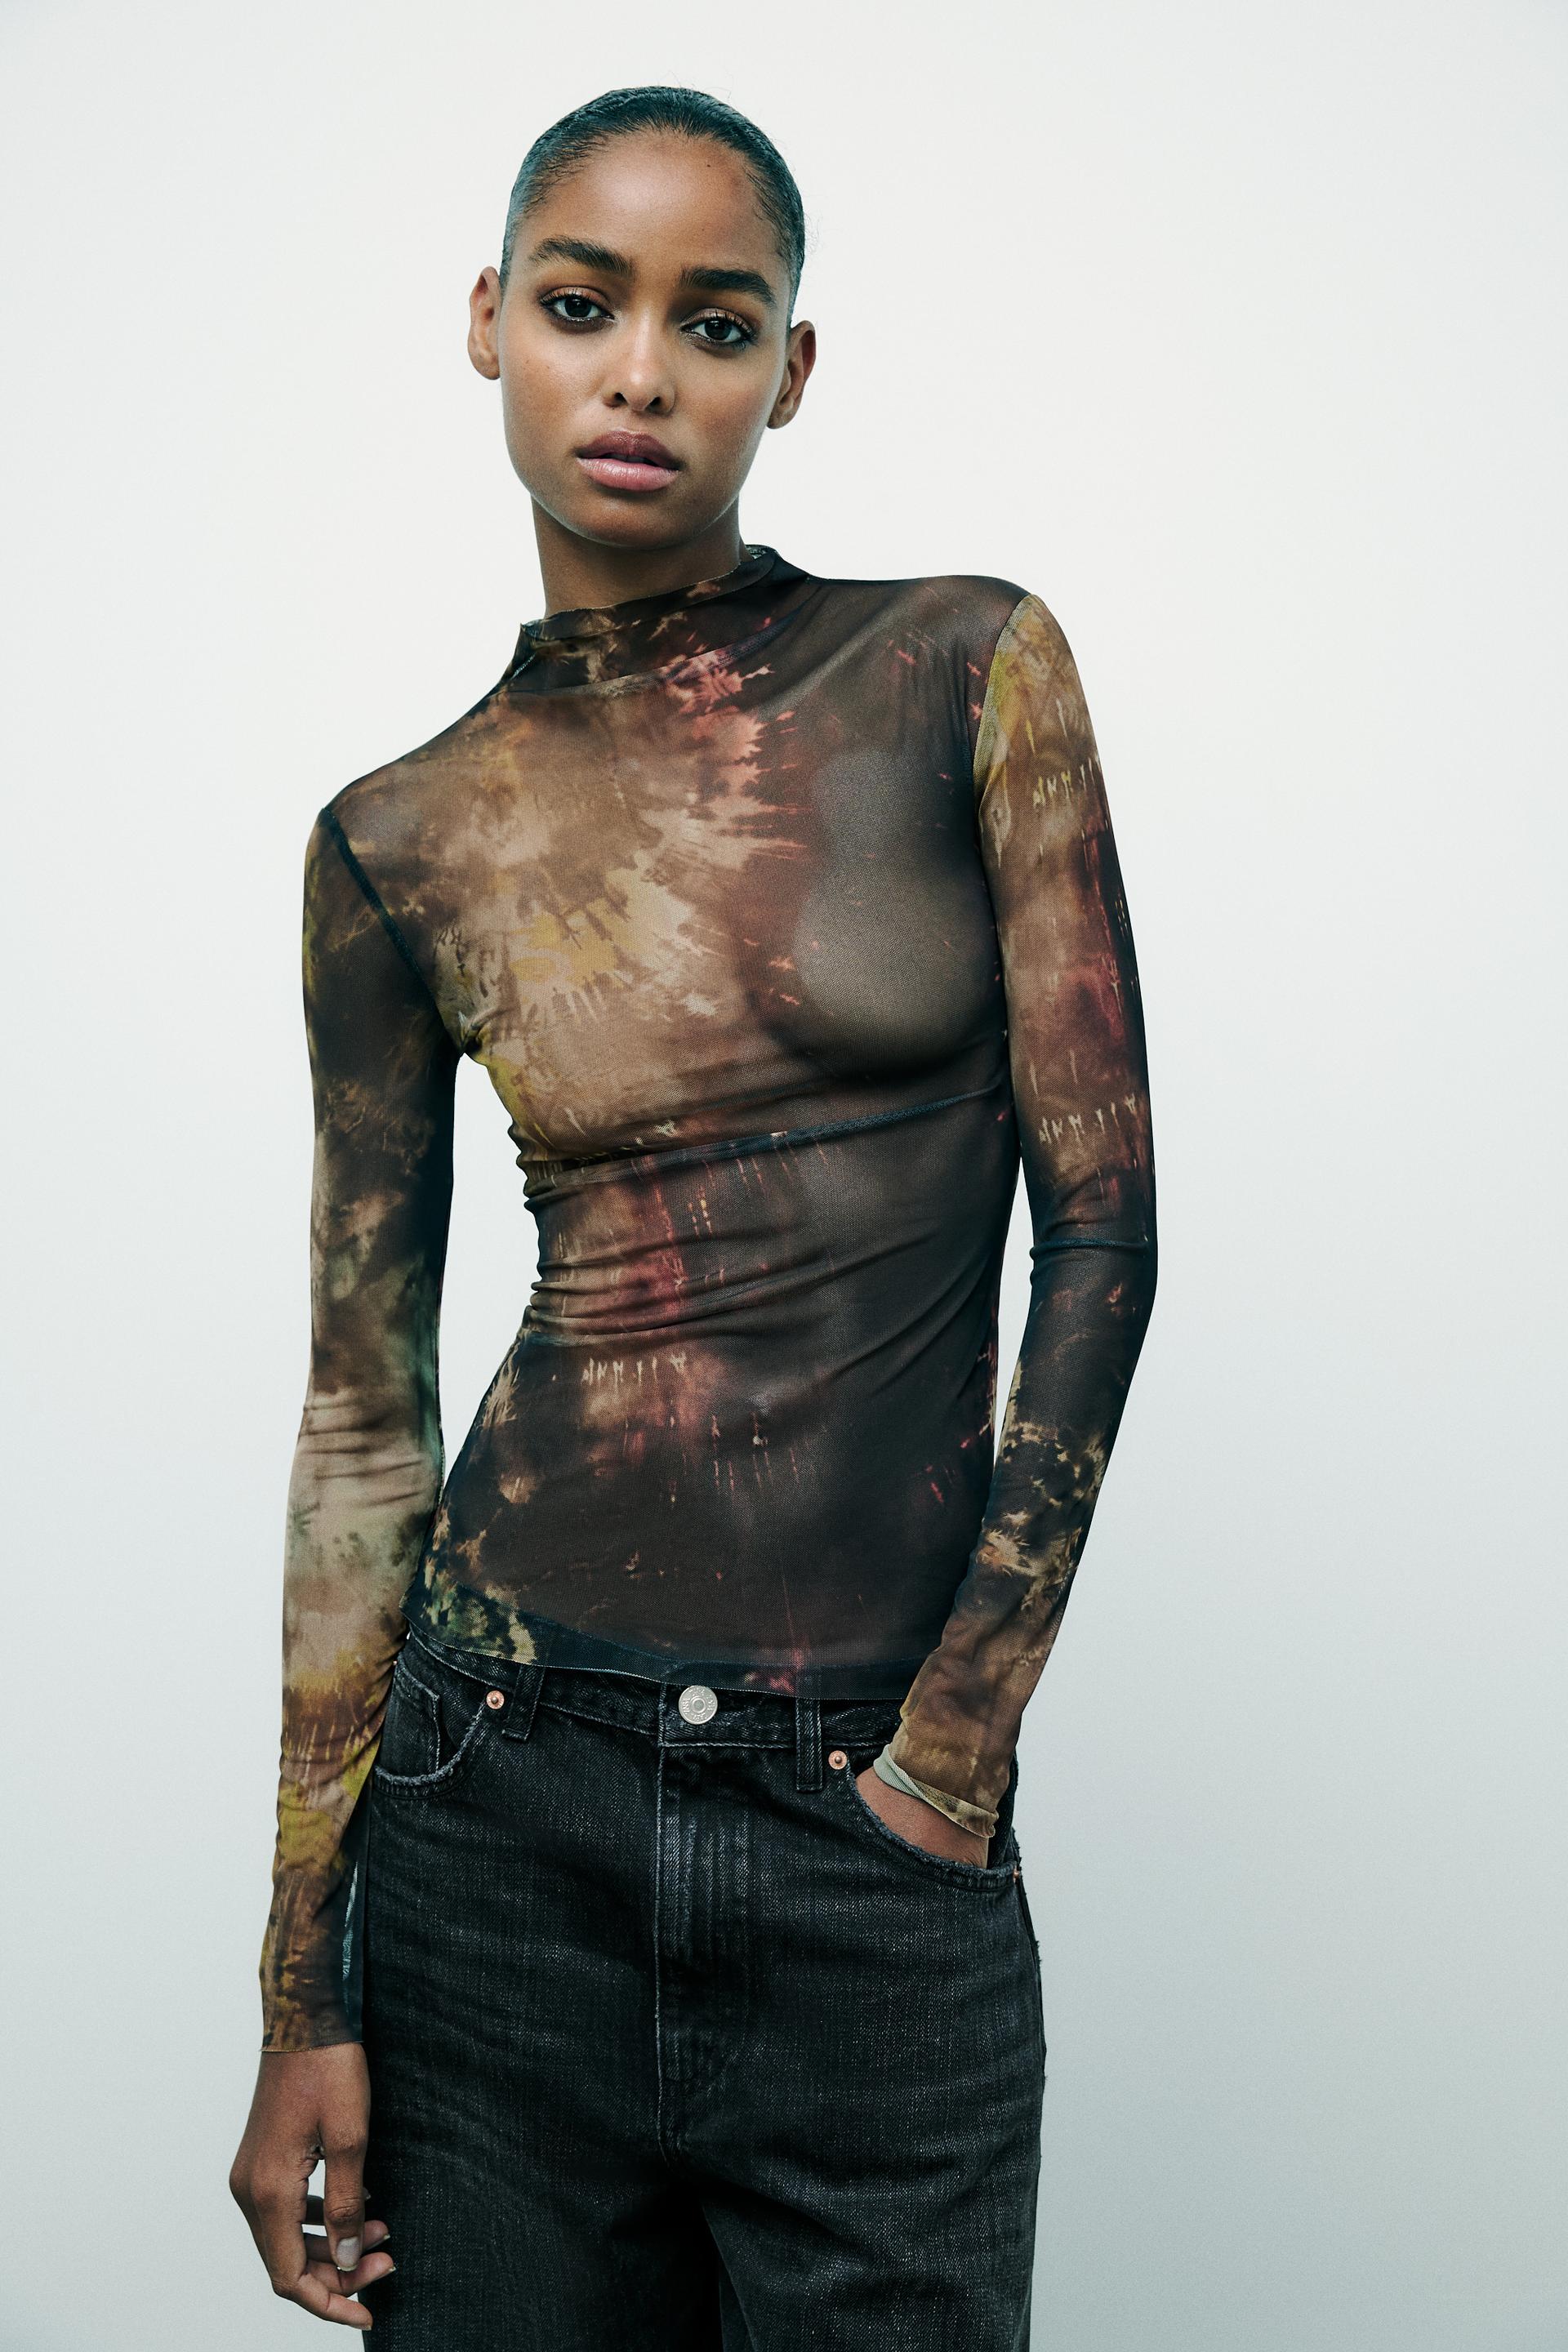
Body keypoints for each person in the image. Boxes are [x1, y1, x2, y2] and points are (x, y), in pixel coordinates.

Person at [229, 83, 1157, 2350]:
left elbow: (1107, 1226)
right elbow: (361, 1416)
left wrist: (959, 1739)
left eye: (714, 323)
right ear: (490, 322)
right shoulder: (394, 837)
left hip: (866, 1803)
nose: (640, 372)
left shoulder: (959, 667)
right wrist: (300, 1990)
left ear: (789, 371)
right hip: (494, 1794)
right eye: (584, 306)